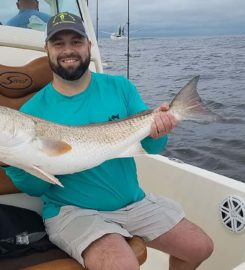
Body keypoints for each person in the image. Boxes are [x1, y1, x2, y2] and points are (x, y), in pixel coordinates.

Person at [3, 12, 213, 270]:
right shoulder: (31, 112)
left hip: (133, 201)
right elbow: (36, 189)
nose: (68, 50)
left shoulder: (120, 87)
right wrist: (22, 160)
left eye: (76, 42)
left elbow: (152, 147)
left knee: (200, 247)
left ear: (89, 46)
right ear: (47, 48)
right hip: (73, 211)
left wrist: (160, 130)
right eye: (59, 43)